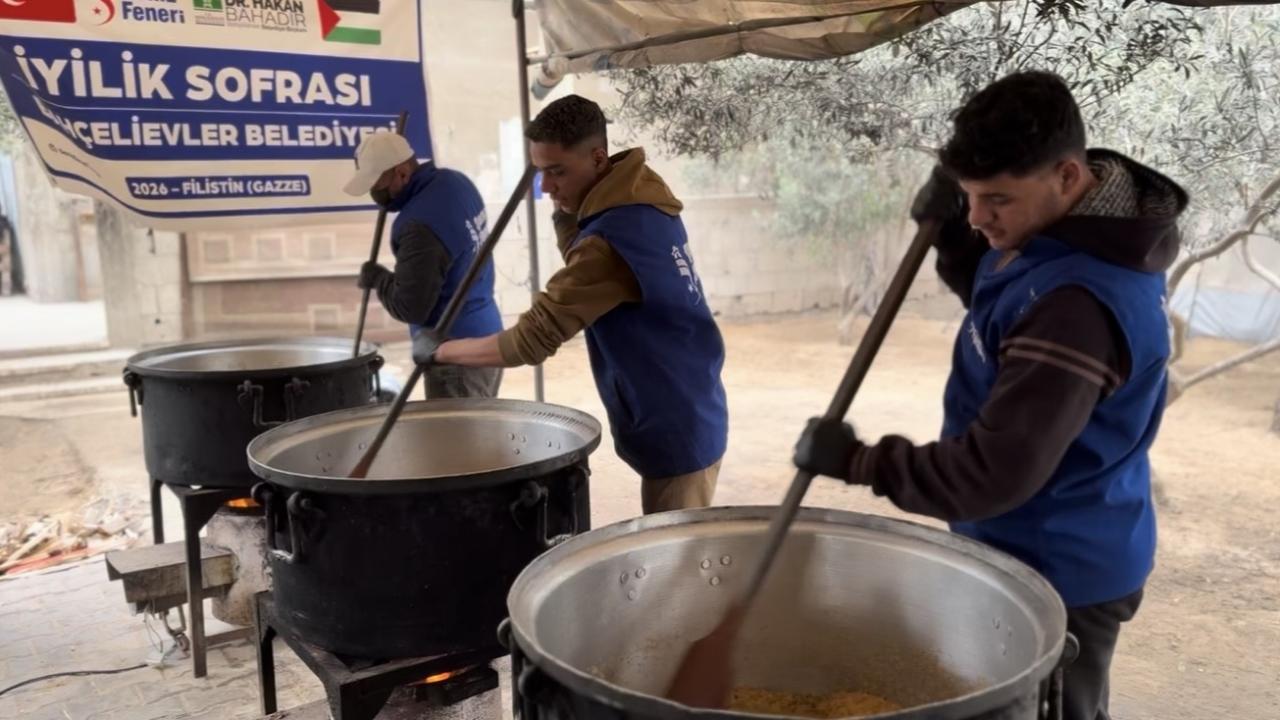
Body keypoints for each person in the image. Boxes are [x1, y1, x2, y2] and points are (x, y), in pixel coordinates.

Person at [793, 71, 1187, 720]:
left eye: (996, 199)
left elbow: (991, 473)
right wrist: (951, 238)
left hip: (1062, 566)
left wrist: (861, 462)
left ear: (1066, 176)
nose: (979, 217)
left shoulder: (1078, 308)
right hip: (1028, 539)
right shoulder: (1061, 235)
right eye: (970, 196)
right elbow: (1001, 309)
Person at [422, 94, 728, 514]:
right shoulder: (639, 198)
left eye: (557, 172)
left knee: (678, 562)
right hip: (688, 396)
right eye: (541, 172)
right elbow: (591, 263)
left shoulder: (610, 241)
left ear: (598, 158)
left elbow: (530, 342)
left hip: (673, 419)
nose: (546, 186)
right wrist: (570, 207)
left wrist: (441, 351)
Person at [343, 132, 503, 398]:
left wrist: (380, 280)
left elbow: (411, 307)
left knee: (456, 438)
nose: (375, 193)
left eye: (378, 183)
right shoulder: (456, 183)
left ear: (402, 172)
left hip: (454, 352)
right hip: (486, 335)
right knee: (475, 432)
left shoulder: (419, 224)